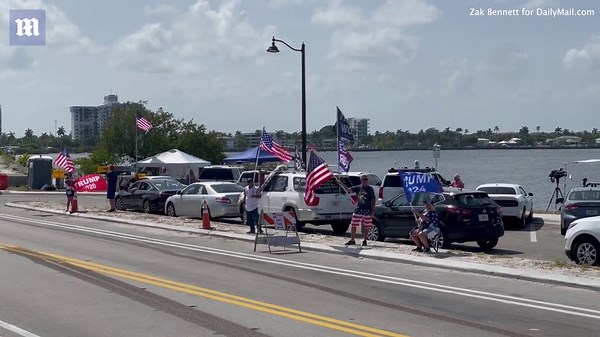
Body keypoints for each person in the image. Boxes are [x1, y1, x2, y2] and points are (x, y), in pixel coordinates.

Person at [341, 174, 376, 246]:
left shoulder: (370, 189)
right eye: (363, 180)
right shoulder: (358, 188)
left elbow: (373, 200)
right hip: (359, 208)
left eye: (366, 180)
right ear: (361, 180)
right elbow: (348, 190)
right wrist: (341, 184)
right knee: (354, 223)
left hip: (367, 209)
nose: (365, 181)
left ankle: (365, 240)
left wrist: (372, 211)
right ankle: (352, 239)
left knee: (367, 225)